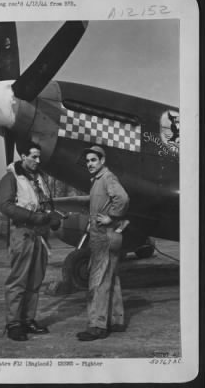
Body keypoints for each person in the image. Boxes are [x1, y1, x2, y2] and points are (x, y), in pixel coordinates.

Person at [0, 141, 61, 341]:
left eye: (39, 157)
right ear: (23, 156)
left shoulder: (40, 179)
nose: (37, 160)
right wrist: (34, 217)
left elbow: (47, 203)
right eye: (33, 156)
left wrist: (53, 218)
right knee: (19, 280)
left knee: (35, 280)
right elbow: (6, 206)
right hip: (23, 234)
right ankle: (14, 324)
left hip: (41, 236)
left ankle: (27, 320)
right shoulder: (10, 178)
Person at [77, 145, 129, 341]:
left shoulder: (107, 178)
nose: (89, 164)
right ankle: (116, 320)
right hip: (108, 236)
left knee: (97, 280)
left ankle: (97, 326)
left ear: (102, 161)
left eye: (93, 160)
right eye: (88, 161)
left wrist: (111, 217)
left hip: (104, 236)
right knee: (111, 278)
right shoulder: (99, 180)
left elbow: (122, 198)